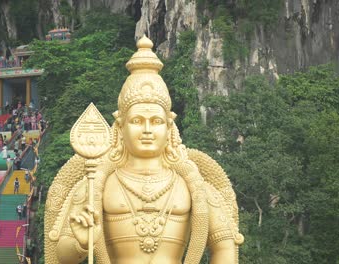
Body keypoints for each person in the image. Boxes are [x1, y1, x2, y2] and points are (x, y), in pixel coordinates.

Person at [44, 36, 243, 264]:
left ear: (170, 127)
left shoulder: (192, 185)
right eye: (137, 121)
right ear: (120, 126)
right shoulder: (93, 184)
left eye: (156, 121)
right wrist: (81, 243)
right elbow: (62, 255)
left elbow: (224, 244)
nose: (147, 130)